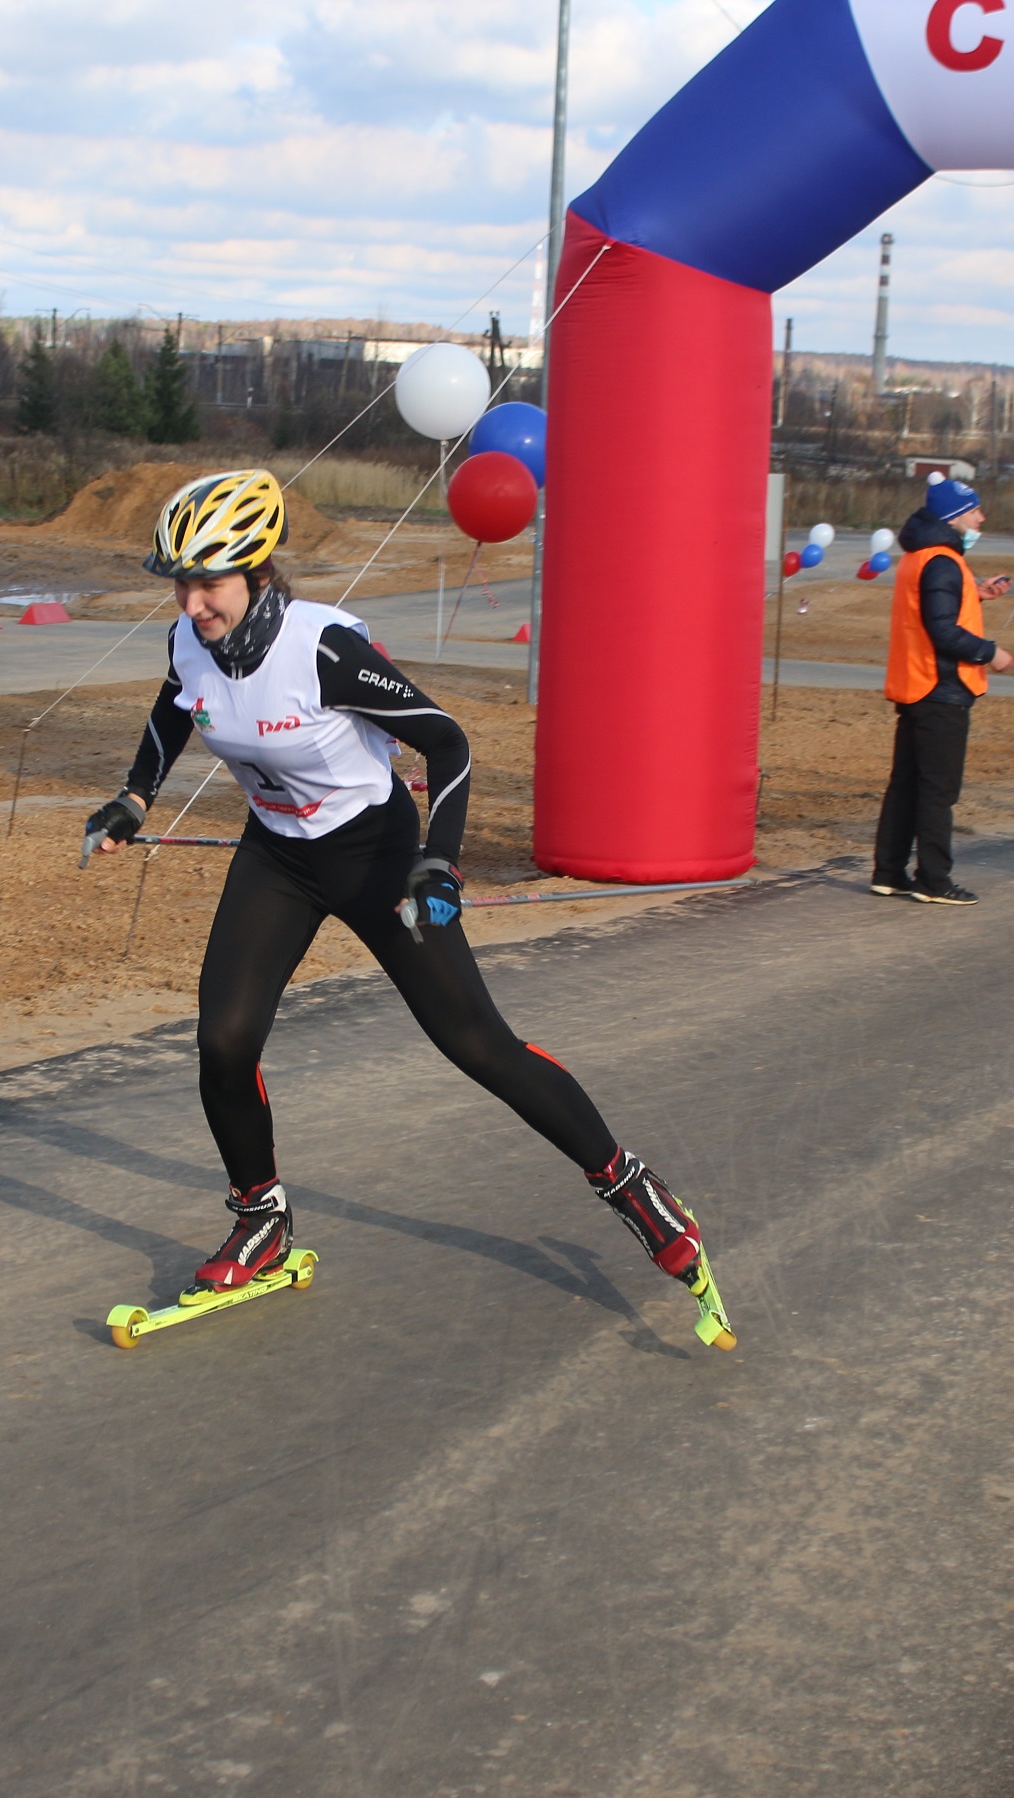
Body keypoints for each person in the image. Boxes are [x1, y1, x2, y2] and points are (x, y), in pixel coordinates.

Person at [81, 468, 735, 1346]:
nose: (193, 601)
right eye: (182, 582)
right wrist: (134, 797)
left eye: (211, 581)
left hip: (377, 854)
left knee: (477, 1046)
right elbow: (174, 707)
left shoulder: (323, 650)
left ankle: (631, 1186)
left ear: (259, 571)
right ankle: (261, 1220)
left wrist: (437, 860)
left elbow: (447, 740)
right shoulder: (187, 640)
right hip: (277, 855)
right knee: (224, 1038)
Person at [870, 470, 1014, 905]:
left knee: (906, 785)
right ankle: (934, 880)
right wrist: (991, 652)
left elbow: (936, 603)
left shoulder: (922, 557)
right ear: (954, 517)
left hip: (915, 686)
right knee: (938, 790)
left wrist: (976, 592)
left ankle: (889, 871)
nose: (981, 519)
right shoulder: (942, 560)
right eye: (975, 512)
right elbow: (943, 630)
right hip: (941, 690)